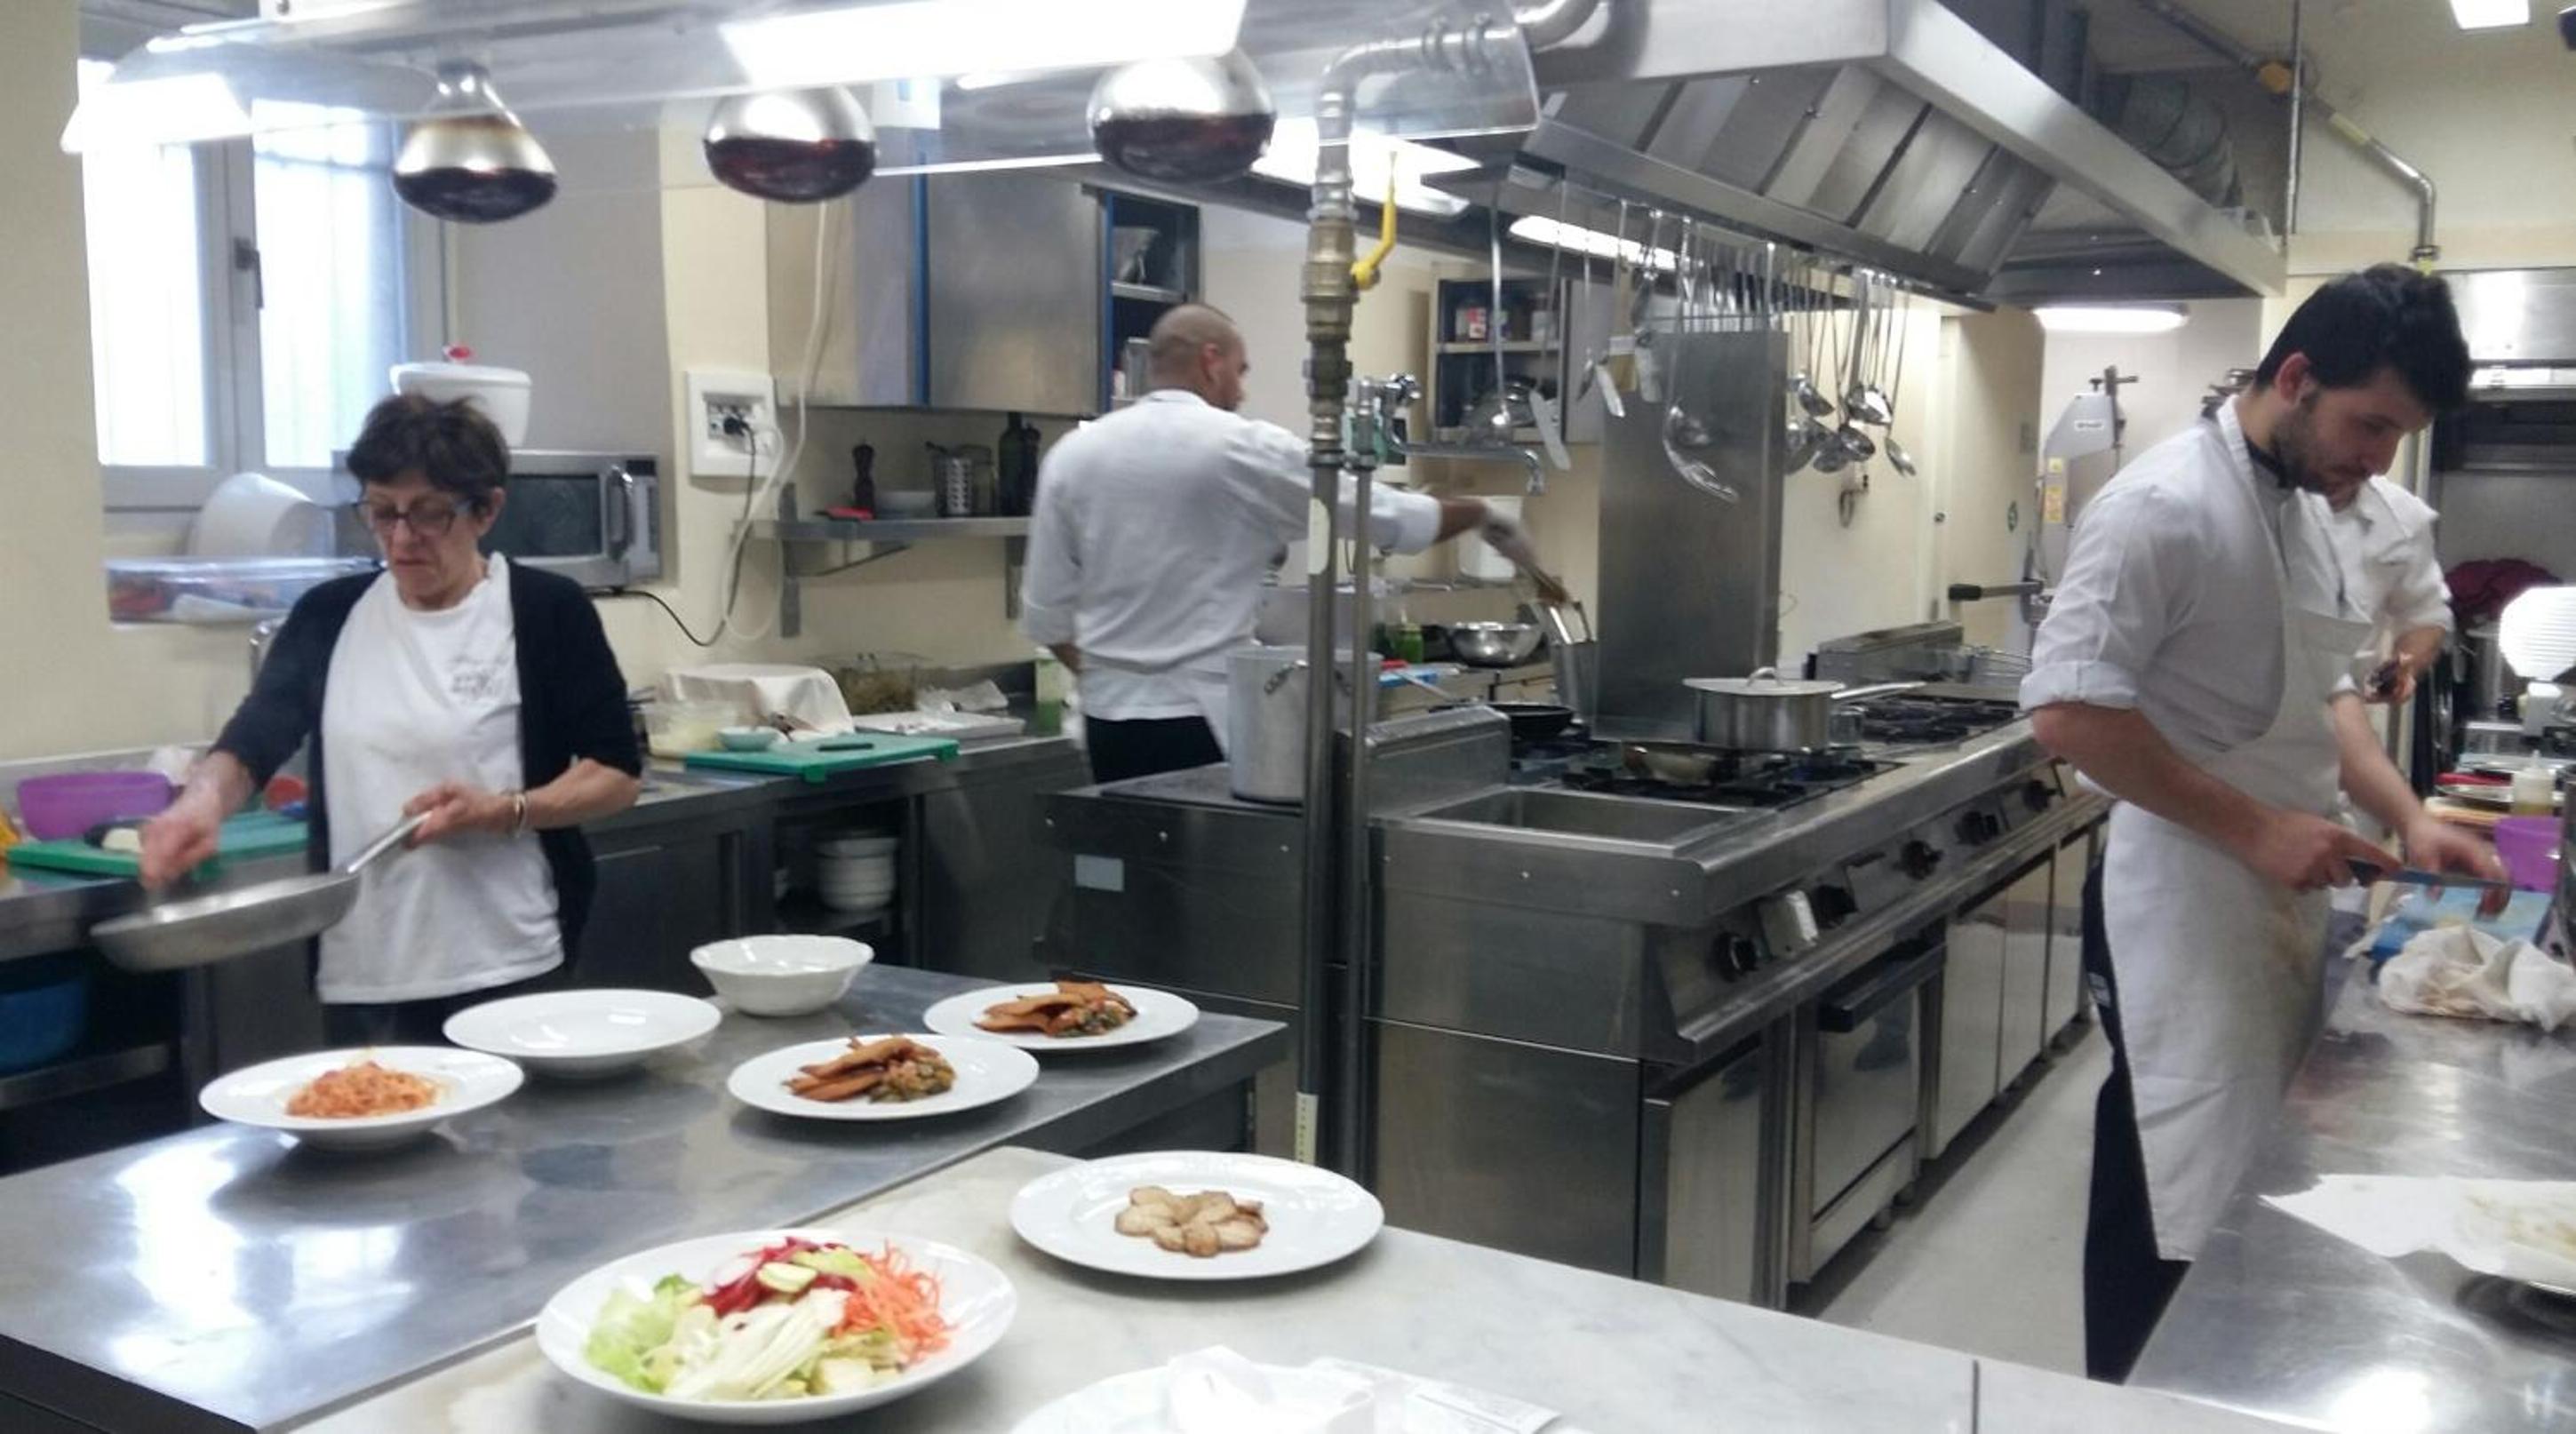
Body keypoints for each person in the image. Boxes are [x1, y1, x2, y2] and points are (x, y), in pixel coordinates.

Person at [2019, 265, 2508, 1382]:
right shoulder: (2162, 507)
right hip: (2180, 901)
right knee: (2166, 1171)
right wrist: (2254, 831)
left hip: (2270, 894)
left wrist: (2408, 816)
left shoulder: (2301, 512)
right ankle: (2130, 1401)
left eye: (2398, 437)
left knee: (2239, 1182)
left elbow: (2322, 697)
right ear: (2295, 378)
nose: (2377, 460)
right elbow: (2067, 714)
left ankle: (2211, 1387)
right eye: (2369, 425)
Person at [140, 394, 643, 1043]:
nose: (402, 537)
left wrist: (505, 811)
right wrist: (199, 804)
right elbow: (254, 739)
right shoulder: (329, 615)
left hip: (510, 962)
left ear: (487, 510)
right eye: (382, 511)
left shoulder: (547, 611)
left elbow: (616, 773)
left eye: (430, 513)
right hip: (365, 971)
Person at [1022, 304, 1553, 785]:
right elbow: (1384, 514)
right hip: (1203, 726)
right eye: (1241, 371)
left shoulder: (1072, 456)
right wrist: (1482, 513)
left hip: (1107, 729)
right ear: (1211, 361)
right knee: (1217, 860)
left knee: (1129, 860)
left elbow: (1046, 619)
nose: (1241, 392)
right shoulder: (1241, 449)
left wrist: (1119, 678)